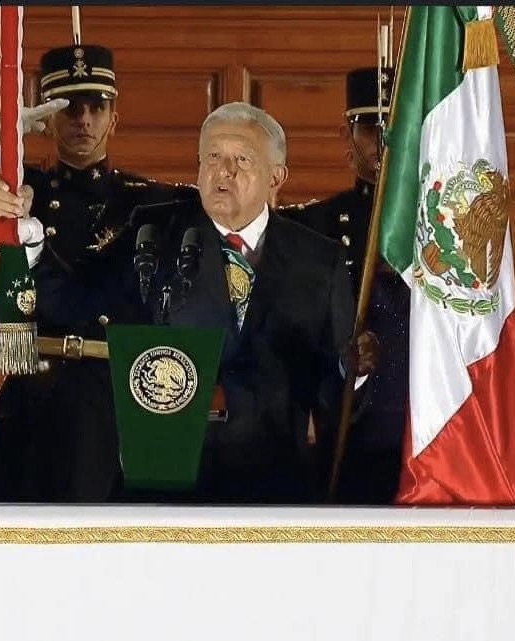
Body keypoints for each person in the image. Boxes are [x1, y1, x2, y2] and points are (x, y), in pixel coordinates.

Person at [0, 44, 197, 502]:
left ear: (114, 118)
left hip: (115, 397)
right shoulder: (15, 193)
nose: (83, 120)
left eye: (96, 107)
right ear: (47, 121)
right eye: (69, 108)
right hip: (36, 390)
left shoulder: (150, 201)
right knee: (18, 531)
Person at [129, 102, 378, 504]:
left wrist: (353, 371)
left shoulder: (318, 259)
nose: (223, 171)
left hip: (277, 488)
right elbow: (84, 303)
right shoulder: (154, 238)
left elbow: (334, 393)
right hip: (170, 487)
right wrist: (30, 242)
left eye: (242, 159)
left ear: (276, 176)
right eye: (213, 157)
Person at [278, 67, 407, 504]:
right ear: (346, 136)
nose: (385, 141)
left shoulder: (442, 224)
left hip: (429, 420)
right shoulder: (316, 225)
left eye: (397, 126)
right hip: (348, 427)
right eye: (371, 128)